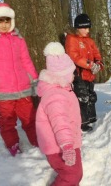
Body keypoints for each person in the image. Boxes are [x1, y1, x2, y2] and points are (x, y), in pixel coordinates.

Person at [0, 3, 39, 156]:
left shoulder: (18, 39)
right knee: (7, 122)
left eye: (7, 21)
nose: (4, 25)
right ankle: (13, 146)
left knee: (30, 119)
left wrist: (35, 80)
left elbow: (26, 61)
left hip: (23, 89)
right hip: (2, 91)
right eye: (0, 21)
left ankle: (38, 142)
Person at [36, 42, 83, 186]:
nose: (74, 76)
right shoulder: (56, 95)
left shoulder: (63, 89)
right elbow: (60, 122)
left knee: (74, 174)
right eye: (71, 73)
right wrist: (67, 146)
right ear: (63, 75)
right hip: (59, 147)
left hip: (67, 143)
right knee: (71, 175)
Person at [65, 13, 104, 132]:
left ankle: (92, 118)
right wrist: (90, 64)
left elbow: (97, 54)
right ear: (78, 27)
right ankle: (83, 122)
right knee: (82, 97)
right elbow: (74, 57)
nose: (87, 30)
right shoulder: (72, 39)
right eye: (85, 28)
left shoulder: (89, 40)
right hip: (79, 74)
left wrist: (98, 64)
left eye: (88, 28)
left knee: (91, 96)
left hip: (90, 75)